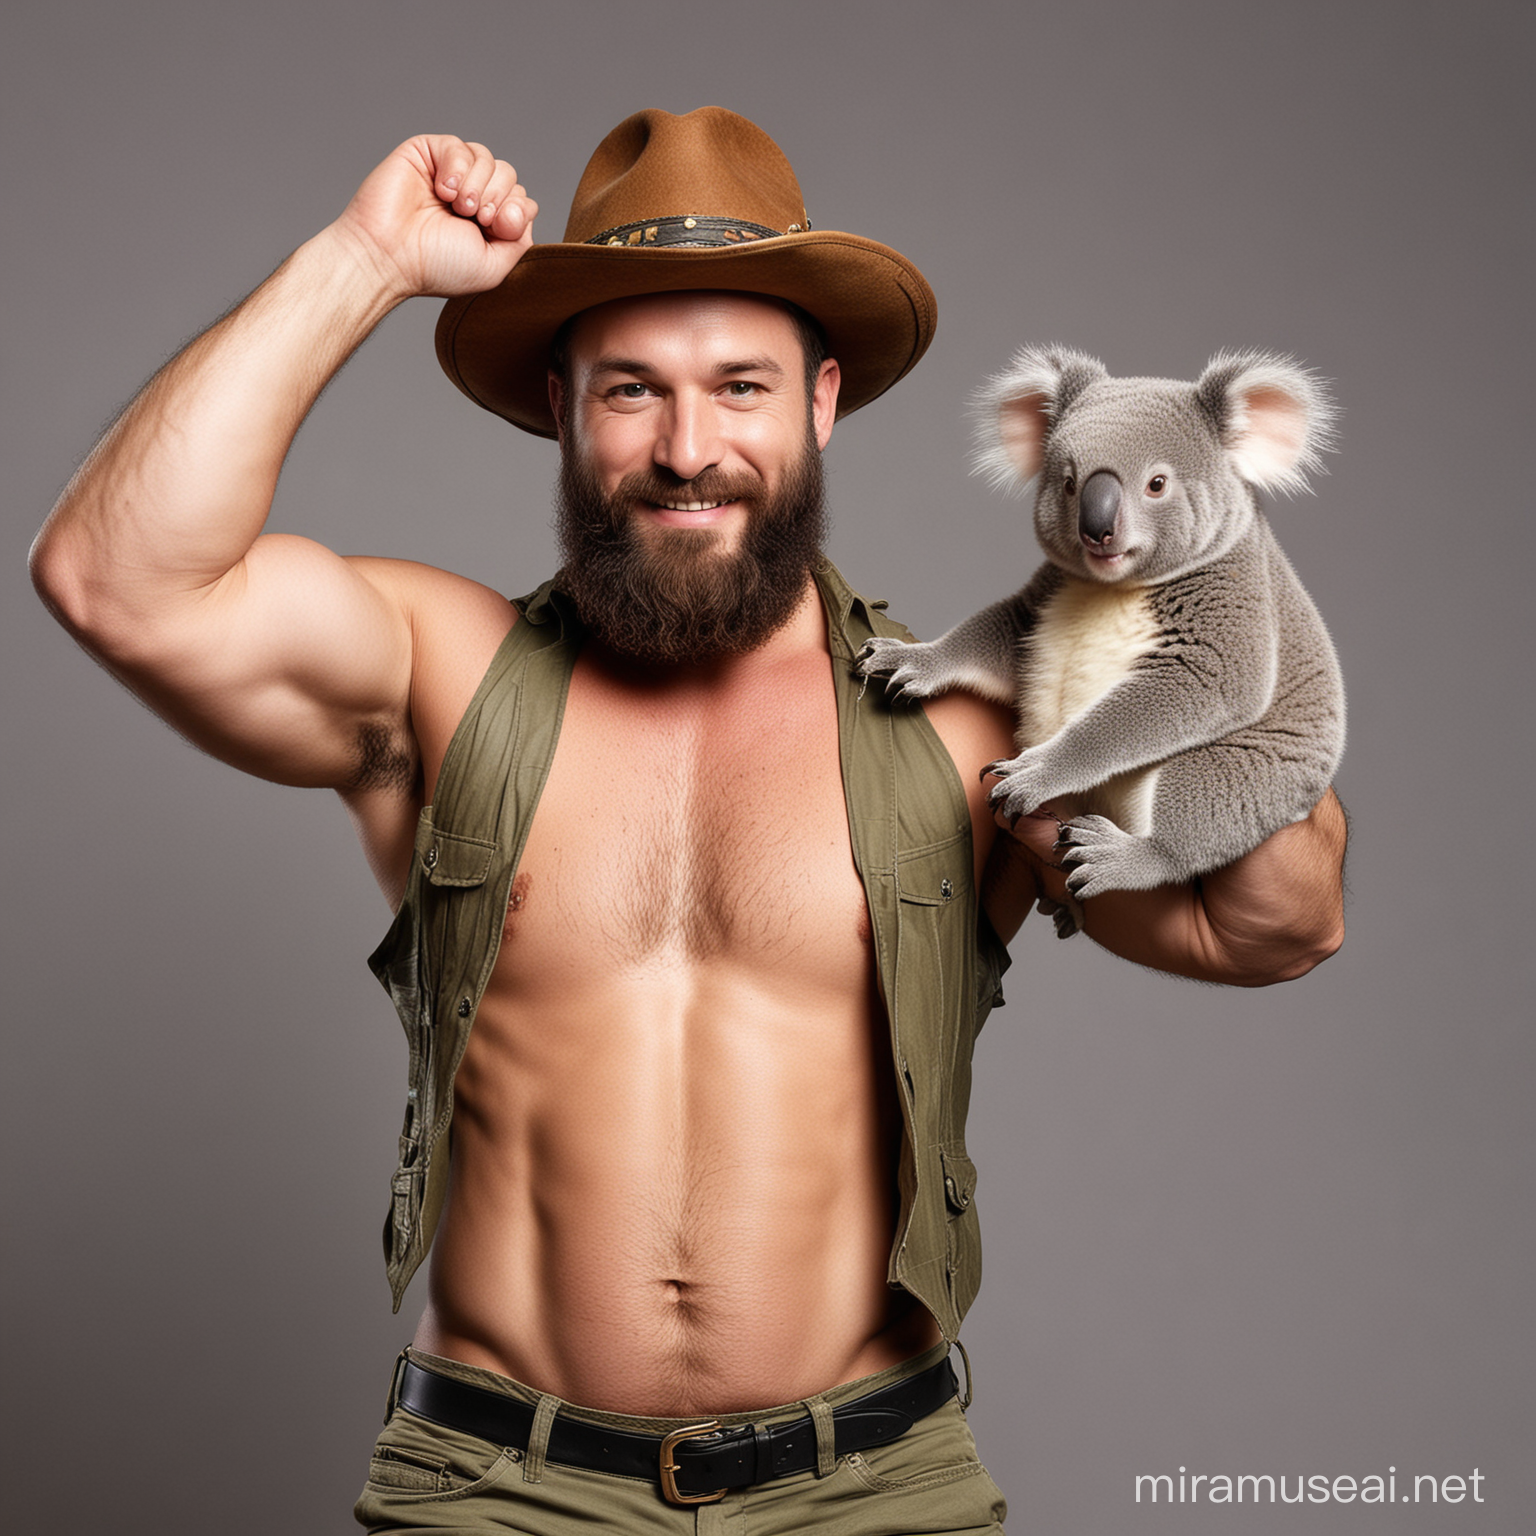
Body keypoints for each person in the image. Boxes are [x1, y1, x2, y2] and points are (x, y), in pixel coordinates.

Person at [30, 108, 1345, 1532]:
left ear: (822, 403)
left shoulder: (973, 728)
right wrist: (362, 259)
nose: (687, 448)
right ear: (559, 402)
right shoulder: (437, 675)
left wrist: (1206, 593)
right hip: (492, 1487)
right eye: (630, 391)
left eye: (740, 387)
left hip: (867, 1489)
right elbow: (118, 577)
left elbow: (1273, 924)